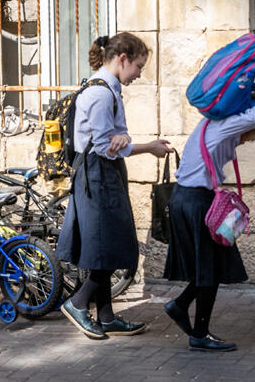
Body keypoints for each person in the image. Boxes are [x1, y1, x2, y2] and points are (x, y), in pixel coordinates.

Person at [161, 81, 255, 351]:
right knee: (210, 268)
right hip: (196, 201)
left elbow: (254, 106)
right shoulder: (225, 124)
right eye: (252, 135)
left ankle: (180, 306)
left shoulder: (211, 124)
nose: (249, 137)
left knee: (210, 265)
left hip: (187, 198)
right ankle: (199, 334)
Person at [57, 33, 172, 340]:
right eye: (138, 65)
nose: (139, 73)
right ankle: (78, 303)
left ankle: (106, 317)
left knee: (105, 245)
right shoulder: (100, 94)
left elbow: (108, 142)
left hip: (103, 173)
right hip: (98, 175)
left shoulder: (107, 88)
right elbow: (105, 146)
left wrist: (125, 144)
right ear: (122, 59)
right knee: (109, 247)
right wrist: (145, 147)